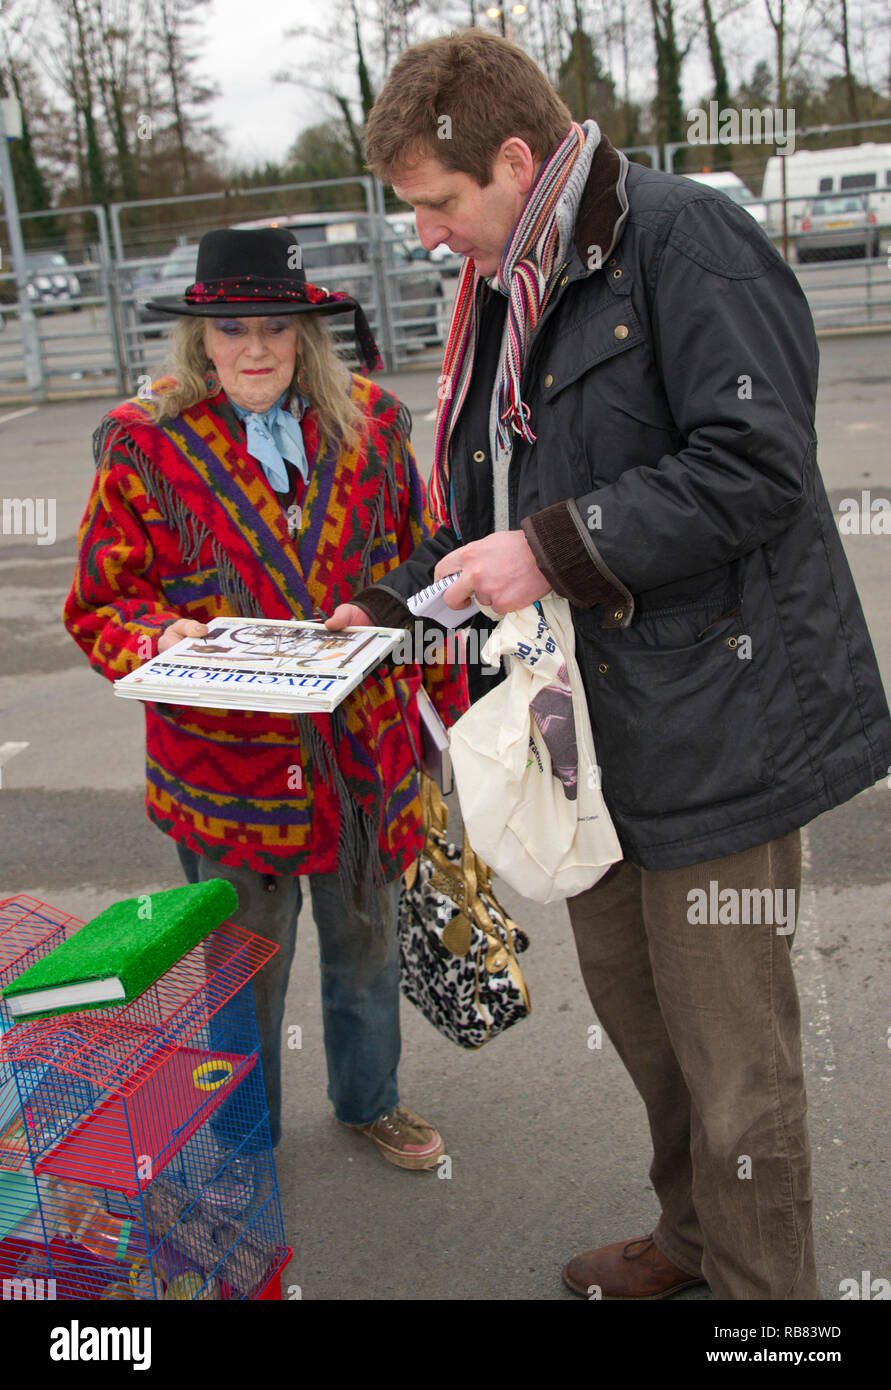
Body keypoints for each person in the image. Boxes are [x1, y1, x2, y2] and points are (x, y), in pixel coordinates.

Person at [327, 31, 891, 1297]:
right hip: (582, 735)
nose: (422, 235)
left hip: (717, 726)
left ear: (515, 162)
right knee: (645, 1032)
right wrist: (385, 609)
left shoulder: (686, 240)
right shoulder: (501, 292)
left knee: (738, 1072)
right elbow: (490, 503)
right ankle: (692, 1245)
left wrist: (552, 549)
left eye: (436, 203)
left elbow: (759, 468)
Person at [64, 227, 467, 1171]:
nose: (255, 349)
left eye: (275, 327)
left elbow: (430, 566)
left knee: (365, 950)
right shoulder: (146, 445)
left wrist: (451, 717)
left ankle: (372, 1101)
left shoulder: (369, 427)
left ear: (306, 335)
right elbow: (100, 602)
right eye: (233, 328)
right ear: (200, 338)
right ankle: (244, 1135)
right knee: (241, 968)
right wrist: (152, 636)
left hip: (364, 759)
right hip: (223, 768)